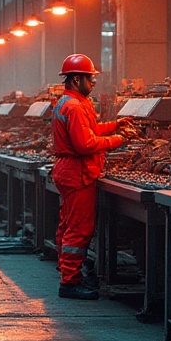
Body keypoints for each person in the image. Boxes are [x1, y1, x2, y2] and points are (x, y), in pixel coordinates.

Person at [50, 54, 131, 300]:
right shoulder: (73, 106)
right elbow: (85, 144)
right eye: (90, 78)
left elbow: (90, 130)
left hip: (70, 170)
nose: (93, 83)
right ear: (76, 79)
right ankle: (70, 282)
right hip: (78, 172)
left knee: (67, 225)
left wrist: (115, 125)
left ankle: (67, 269)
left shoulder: (72, 102)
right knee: (79, 230)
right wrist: (118, 140)